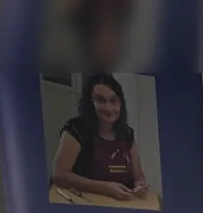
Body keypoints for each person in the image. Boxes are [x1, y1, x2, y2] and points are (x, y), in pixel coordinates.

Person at [51, 73, 149, 201]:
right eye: (100, 100)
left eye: (113, 101)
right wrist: (105, 188)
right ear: (89, 103)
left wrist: (140, 185)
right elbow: (59, 175)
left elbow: (139, 177)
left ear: (121, 103)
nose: (108, 108)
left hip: (123, 205)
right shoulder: (76, 128)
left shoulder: (127, 133)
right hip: (85, 203)